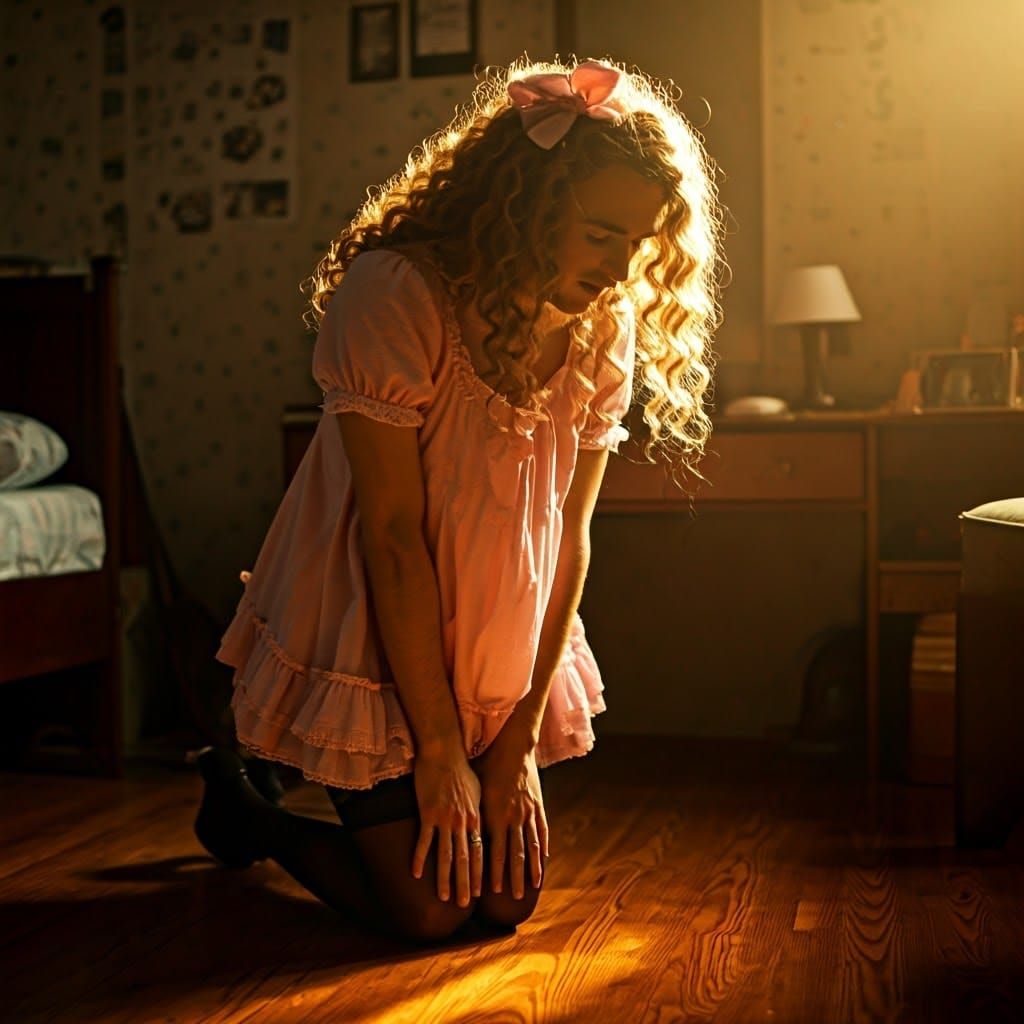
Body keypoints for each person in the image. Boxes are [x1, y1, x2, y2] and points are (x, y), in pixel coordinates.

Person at [193, 56, 723, 945]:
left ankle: (382, 791)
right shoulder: (396, 294)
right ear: (527, 203)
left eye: (640, 243)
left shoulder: (602, 330)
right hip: (378, 626)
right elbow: (393, 538)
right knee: (432, 909)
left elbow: (571, 539)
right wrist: (440, 751)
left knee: (505, 903)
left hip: (493, 633)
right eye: (600, 235)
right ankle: (250, 810)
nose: (621, 266)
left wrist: (512, 747)